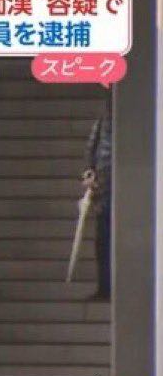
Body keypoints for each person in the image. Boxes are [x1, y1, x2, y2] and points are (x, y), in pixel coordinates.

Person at [82, 102, 112, 302]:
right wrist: (89, 173)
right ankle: (105, 287)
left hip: (122, 189)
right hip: (104, 190)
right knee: (102, 243)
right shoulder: (102, 123)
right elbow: (91, 150)